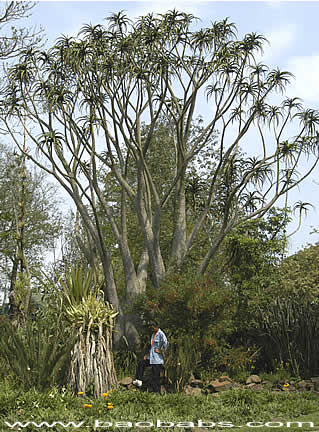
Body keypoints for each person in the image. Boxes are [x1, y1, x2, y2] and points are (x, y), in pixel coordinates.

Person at [133, 320, 168, 393]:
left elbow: (166, 345)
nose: (151, 329)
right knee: (141, 363)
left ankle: (157, 392)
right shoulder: (153, 334)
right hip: (151, 357)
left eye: (152, 328)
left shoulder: (161, 334)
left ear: (156, 327)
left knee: (155, 377)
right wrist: (147, 355)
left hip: (157, 359)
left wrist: (161, 351)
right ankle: (139, 380)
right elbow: (152, 347)